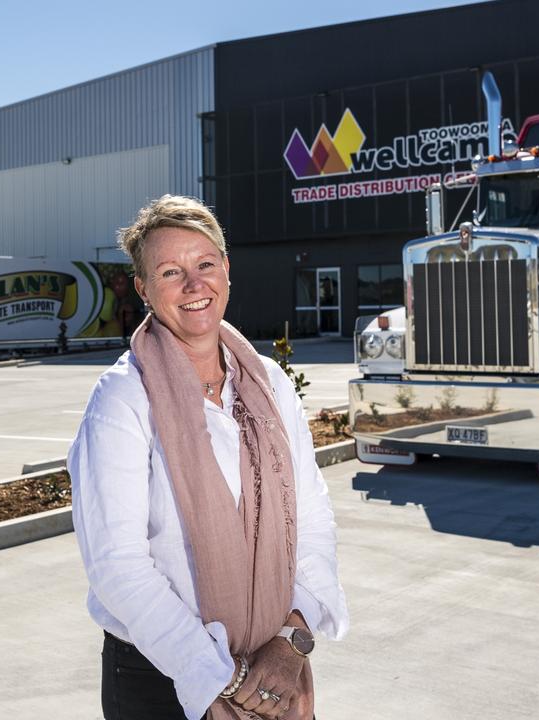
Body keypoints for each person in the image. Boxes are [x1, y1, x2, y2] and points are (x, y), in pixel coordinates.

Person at [69, 195, 348, 720]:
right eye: (171, 271)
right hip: (160, 679)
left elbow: (310, 519)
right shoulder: (122, 399)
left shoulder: (269, 385)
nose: (195, 286)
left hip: (277, 668)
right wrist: (218, 675)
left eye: (205, 264)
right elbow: (118, 567)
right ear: (144, 289)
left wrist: (292, 639)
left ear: (226, 270)